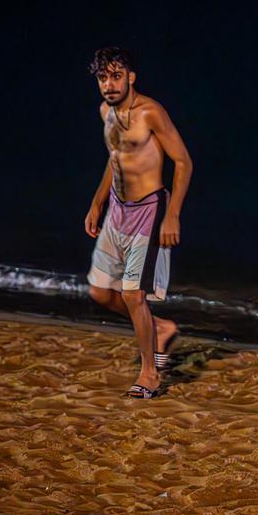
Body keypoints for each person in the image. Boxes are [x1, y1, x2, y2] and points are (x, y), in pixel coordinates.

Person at [84, 47, 193, 399]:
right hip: (116, 210)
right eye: (103, 78)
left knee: (133, 294)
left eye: (116, 76)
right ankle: (160, 329)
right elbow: (115, 159)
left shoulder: (150, 112)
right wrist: (97, 203)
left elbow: (183, 162)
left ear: (131, 77)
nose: (109, 84)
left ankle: (150, 374)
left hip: (148, 210)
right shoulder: (106, 111)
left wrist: (173, 213)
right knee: (100, 292)